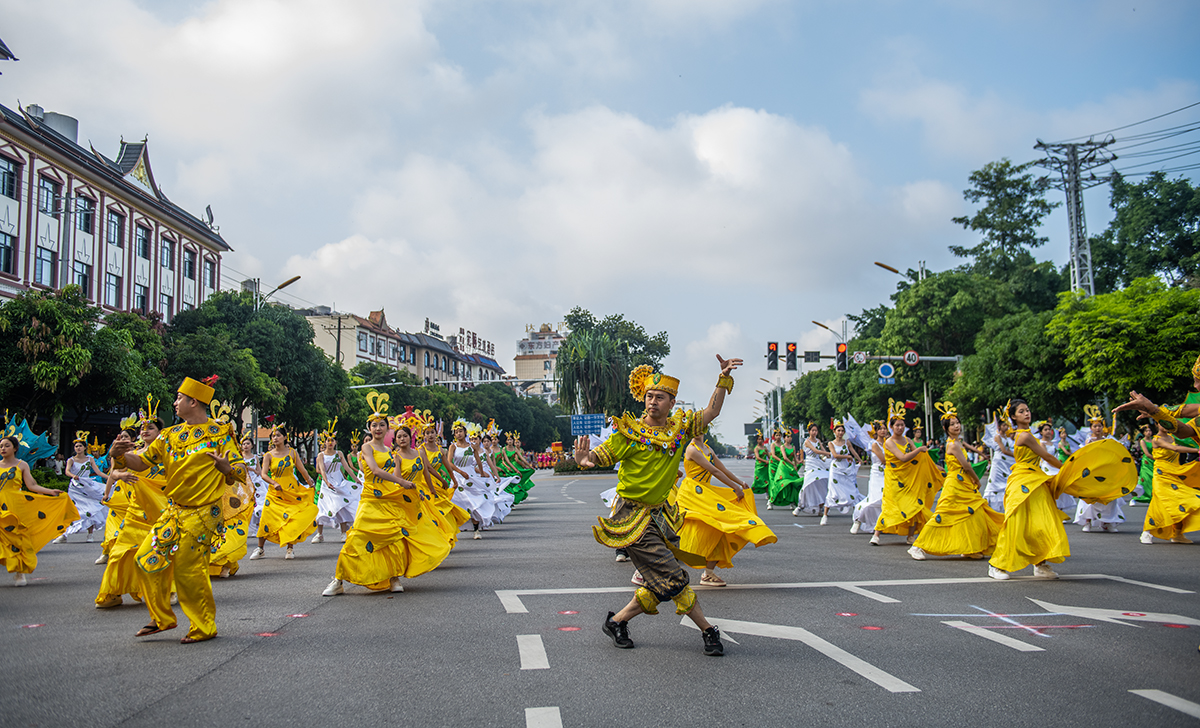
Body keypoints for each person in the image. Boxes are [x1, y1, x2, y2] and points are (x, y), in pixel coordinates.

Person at [575, 355, 742, 657]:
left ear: (672, 402)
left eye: (660, 398)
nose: (653, 402)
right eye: (649, 396)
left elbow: (712, 411)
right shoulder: (629, 433)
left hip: (661, 516)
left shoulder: (679, 432)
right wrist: (583, 460)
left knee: (660, 581)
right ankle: (708, 631)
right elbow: (595, 458)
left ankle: (617, 621)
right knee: (674, 577)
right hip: (632, 516)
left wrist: (723, 379)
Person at [109, 375, 247, 643]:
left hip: (203, 513)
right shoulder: (170, 435)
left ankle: (203, 626)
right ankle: (162, 618)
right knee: (145, 558)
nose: (175, 402)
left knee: (188, 572)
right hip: (174, 512)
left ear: (193, 401)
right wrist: (118, 455)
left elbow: (241, 469)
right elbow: (141, 462)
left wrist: (227, 468)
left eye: (179, 398)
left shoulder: (220, 434)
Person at [322, 392, 452, 596]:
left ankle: (393, 578)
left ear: (386, 428)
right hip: (371, 499)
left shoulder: (392, 453)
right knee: (356, 538)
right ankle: (338, 580)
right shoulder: (366, 447)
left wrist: (414, 488)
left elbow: (401, 474)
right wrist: (401, 481)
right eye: (374, 425)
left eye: (382, 425)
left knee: (394, 538)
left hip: (389, 498)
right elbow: (374, 470)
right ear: (369, 428)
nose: (378, 428)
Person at [988, 399, 1133, 581]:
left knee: (1043, 522)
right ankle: (996, 565)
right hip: (1023, 482)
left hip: (1035, 480)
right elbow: (1047, 456)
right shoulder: (1024, 436)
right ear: (1013, 417)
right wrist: (1068, 469)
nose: (1027, 413)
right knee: (1017, 525)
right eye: (1021, 411)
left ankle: (1040, 564)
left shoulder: (1026, 434)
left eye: (1028, 409)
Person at [671, 432, 776, 586]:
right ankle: (650, 567)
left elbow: (723, 469)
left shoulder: (707, 448)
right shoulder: (691, 449)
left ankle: (708, 573)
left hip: (706, 492)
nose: (699, 429)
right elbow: (715, 471)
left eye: (702, 425)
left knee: (720, 529)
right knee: (682, 531)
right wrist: (735, 487)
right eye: (696, 426)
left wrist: (740, 483)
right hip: (693, 494)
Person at [95, 399, 170, 607]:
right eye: (143, 428)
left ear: (160, 433)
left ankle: (166, 589)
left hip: (161, 511)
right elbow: (115, 471)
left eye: (151, 428)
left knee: (159, 550)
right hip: (136, 510)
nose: (145, 431)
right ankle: (113, 591)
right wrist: (121, 475)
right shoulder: (133, 453)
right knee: (121, 551)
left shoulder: (167, 454)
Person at [908, 403, 1002, 560]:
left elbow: (967, 450)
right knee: (943, 515)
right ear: (946, 428)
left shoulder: (958, 442)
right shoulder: (952, 445)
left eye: (957, 423)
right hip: (954, 483)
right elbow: (966, 465)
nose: (956, 426)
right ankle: (917, 546)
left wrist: (979, 452)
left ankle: (970, 547)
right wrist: (977, 480)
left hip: (963, 483)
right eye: (952, 424)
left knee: (974, 512)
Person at [1, 435, 78, 586]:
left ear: (15, 448)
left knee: (18, 538)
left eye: (7, 445)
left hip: (16, 505)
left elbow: (32, 486)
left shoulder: (22, 465)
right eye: (1, 446)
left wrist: (50, 492)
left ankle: (20, 572)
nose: (3, 448)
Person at [872, 400, 942, 546]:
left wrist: (935, 466)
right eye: (896, 425)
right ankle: (877, 533)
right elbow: (903, 458)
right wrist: (919, 449)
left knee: (914, 505)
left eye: (902, 425)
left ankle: (910, 536)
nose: (900, 427)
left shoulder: (908, 439)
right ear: (891, 427)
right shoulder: (889, 442)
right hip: (894, 479)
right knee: (891, 507)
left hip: (910, 478)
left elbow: (921, 457)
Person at [249, 424, 317, 561]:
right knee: (265, 519)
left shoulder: (292, 452)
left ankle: (290, 548)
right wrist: (274, 483)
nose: (275, 438)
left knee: (291, 518)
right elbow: (263, 474)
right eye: (273, 436)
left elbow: (302, 470)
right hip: (274, 492)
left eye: (278, 435)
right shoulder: (268, 455)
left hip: (291, 491)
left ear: (285, 437)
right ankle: (260, 548)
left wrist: (310, 482)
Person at [205, 400, 255, 579]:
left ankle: (226, 563)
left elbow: (240, 475)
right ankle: (215, 564)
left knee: (230, 529)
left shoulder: (231, 452)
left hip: (229, 497)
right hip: (208, 496)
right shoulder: (203, 450)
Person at [1139, 419, 1199, 544]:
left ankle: (1177, 534)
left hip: (1175, 473)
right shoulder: (1156, 440)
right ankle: (1146, 532)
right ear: (1157, 424)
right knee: (1160, 503)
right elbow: (1174, 449)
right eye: (1163, 423)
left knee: (1181, 502)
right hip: (1161, 475)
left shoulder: (1172, 437)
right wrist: (1197, 451)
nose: (1167, 426)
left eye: (1169, 423)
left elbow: (1183, 443)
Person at [1072, 405, 1127, 533]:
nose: (1098, 428)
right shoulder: (1089, 441)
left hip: (1106, 471)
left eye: (1100, 426)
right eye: (1095, 426)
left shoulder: (1108, 440)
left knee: (1108, 497)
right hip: (1092, 471)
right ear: (1091, 428)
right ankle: (1087, 521)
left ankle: (1107, 522)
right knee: (1090, 496)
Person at [312, 418, 360, 544]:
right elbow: (322, 470)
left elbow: (347, 468)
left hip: (339, 483)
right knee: (322, 507)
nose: (330, 443)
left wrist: (356, 480)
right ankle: (319, 534)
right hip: (327, 484)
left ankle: (343, 533)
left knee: (342, 506)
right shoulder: (321, 455)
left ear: (335, 442)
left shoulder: (339, 454)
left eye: (332, 440)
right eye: (328, 440)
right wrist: (326, 482)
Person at [55, 432, 107, 543]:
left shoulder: (90, 459)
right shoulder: (71, 460)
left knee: (90, 509)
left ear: (84, 448)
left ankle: (90, 534)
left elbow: (98, 472)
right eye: (76, 446)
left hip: (87, 487)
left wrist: (111, 478)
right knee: (71, 510)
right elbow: (67, 471)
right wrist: (74, 476)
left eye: (80, 446)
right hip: (75, 487)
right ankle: (64, 535)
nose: (78, 448)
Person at [822, 420, 863, 526]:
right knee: (833, 492)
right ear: (834, 432)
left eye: (842, 431)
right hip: (836, 470)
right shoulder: (831, 443)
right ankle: (825, 515)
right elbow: (835, 455)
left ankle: (857, 516)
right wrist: (847, 456)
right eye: (838, 430)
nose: (840, 433)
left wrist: (859, 459)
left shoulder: (847, 442)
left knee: (852, 491)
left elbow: (852, 451)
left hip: (847, 469)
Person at [851, 421, 886, 535]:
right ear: (876, 431)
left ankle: (881, 524)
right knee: (875, 499)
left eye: (885, 429)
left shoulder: (889, 443)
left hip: (888, 473)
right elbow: (883, 460)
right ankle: (858, 518)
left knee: (885, 499)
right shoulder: (874, 444)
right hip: (877, 473)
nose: (883, 431)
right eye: (880, 429)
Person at [794, 423, 830, 516]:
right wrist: (829, 453)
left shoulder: (818, 440)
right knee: (808, 484)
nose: (814, 432)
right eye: (813, 430)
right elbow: (816, 451)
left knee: (822, 483)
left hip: (819, 463)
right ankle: (800, 506)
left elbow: (822, 450)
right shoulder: (807, 442)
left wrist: (828, 455)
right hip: (810, 464)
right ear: (809, 431)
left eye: (816, 430)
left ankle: (820, 506)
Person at [982, 416, 1014, 513]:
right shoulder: (997, 437)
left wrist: (1016, 456)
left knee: (1006, 482)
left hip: (1005, 462)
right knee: (995, 483)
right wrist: (1016, 455)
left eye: (1007, 425)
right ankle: (992, 507)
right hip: (999, 461)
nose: (1006, 427)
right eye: (1004, 425)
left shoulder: (1006, 437)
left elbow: (1008, 449)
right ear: (999, 426)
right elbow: (1003, 450)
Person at [766, 428, 803, 511]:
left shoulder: (793, 447)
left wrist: (798, 463)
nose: (789, 438)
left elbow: (794, 458)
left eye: (790, 437)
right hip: (783, 467)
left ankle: (792, 502)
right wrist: (793, 464)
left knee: (793, 483)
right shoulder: (782, 446)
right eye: (787, 437)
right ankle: (771, 501)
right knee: (780, 484)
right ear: (784, 438)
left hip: (790, 468)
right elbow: (785, 458)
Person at [1132, 424, 1155, 505]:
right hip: (1147, 461)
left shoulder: (1154, 439)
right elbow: (1147, 453)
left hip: (1154, 461)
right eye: (1146, 431)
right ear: (1143, 433)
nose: (1149, 432)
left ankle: (1152, 496)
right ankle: (1136, 497)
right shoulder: (1142, 441)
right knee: (1145, 478)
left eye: (1150, 431)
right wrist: (1156, 458)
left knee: (1154, 479)